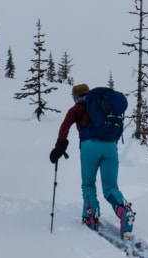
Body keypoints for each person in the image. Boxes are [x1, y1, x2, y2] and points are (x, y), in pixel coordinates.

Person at [50, 83, 134, 237]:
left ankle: (91, 217)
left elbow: (64, 127)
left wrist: (59, 147)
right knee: (111, 187)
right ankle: (124, 211)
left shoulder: (77, 109)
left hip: (89, 147)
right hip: (111, 148)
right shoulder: (102, 107)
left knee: (88, 184)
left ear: (75, 97)